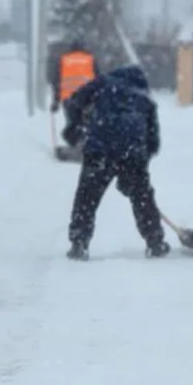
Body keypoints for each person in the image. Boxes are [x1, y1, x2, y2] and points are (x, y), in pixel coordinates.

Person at [62, 64, 169, 261]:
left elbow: (73, 102)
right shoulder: (143, 95)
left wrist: (74, 127)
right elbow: (153, 138)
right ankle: (155, 241)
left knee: (87, 196)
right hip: (132, 152)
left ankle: (79, 243)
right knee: (142, 196)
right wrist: (138, 166)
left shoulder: (102, 83)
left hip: (100, 147)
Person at [50, 39, 96, 113]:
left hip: (68, 98)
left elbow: (56, 81)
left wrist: (56, 101)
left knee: (72, 121)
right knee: (87, 121)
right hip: (87, 97)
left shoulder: (63, 60)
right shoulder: (90, 60)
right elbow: (99, 80)